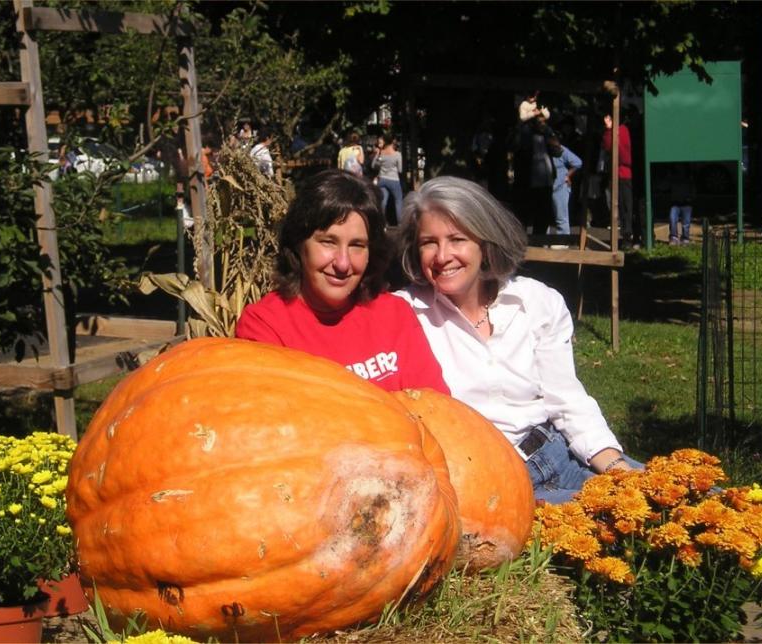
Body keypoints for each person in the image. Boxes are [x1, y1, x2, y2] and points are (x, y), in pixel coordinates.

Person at [395, 176, 640, 504]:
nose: (442, 256)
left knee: (687, 501)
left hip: (559, 453)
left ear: (485, 242)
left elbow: (567, 400)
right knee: (619, 523)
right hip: (494, 486)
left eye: (457, 239)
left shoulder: (535, 302)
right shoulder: (403, 315)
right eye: (429, 242)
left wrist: (616, 467)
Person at [236, 169, 449, 394]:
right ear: (299, 244)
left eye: (357, 245)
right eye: (328, 242)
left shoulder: (395, 314)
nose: (343, 263)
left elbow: (434, 409)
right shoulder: (265, 326)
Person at [602, 111, 634, 249]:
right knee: (619, 205)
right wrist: (609, 130)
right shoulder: (614, 131)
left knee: (626, 206)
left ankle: (628, 235)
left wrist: (610, 130)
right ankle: (624, 235)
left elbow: (620, 152)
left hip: (624, 173)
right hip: (616, 173)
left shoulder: (623, 130)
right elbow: (607, 147)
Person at [548, 135, 583, 242]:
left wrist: (568, 175)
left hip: (560, 187)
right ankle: (544, 241)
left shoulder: (562, 151)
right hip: (548, 187)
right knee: (546, 217)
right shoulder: (544, 151)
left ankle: (563, 241)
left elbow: (578, 162)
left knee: (561, 217)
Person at [371, 134, 404, 226]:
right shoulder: (397, 154)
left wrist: (377, 155)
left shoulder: (381, 153)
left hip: (382, 179)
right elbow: (400, 169)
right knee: (398, 200)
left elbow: (373, 166)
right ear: (392, 142)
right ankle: (400, 224)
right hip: (394, 180)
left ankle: (382, 223)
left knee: (383, 201)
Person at [667, 164, 695, 245]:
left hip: (686, 203)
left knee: (686, 222)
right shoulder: (672, 177)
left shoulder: (689, 178)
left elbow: (693, 190)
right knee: (672, 219)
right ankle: (673, 237)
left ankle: (685, 238)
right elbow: (666, 185)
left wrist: (691, 197)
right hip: (675, 202)